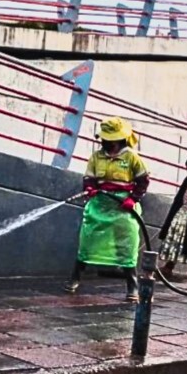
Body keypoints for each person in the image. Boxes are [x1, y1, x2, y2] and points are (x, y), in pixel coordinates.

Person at [67, 117, 150, 301]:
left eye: (110, 139)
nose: (105, 142)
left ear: (120, 139)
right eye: (104, 139)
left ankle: (132, 287)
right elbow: (88, 178)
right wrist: (90, 189)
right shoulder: (96, 157)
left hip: (123, 208)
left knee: (127, 246)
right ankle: (74, 279)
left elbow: (143, 182)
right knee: (87, 242)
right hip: (99, 205)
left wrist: (132, 199)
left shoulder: (132, 158)